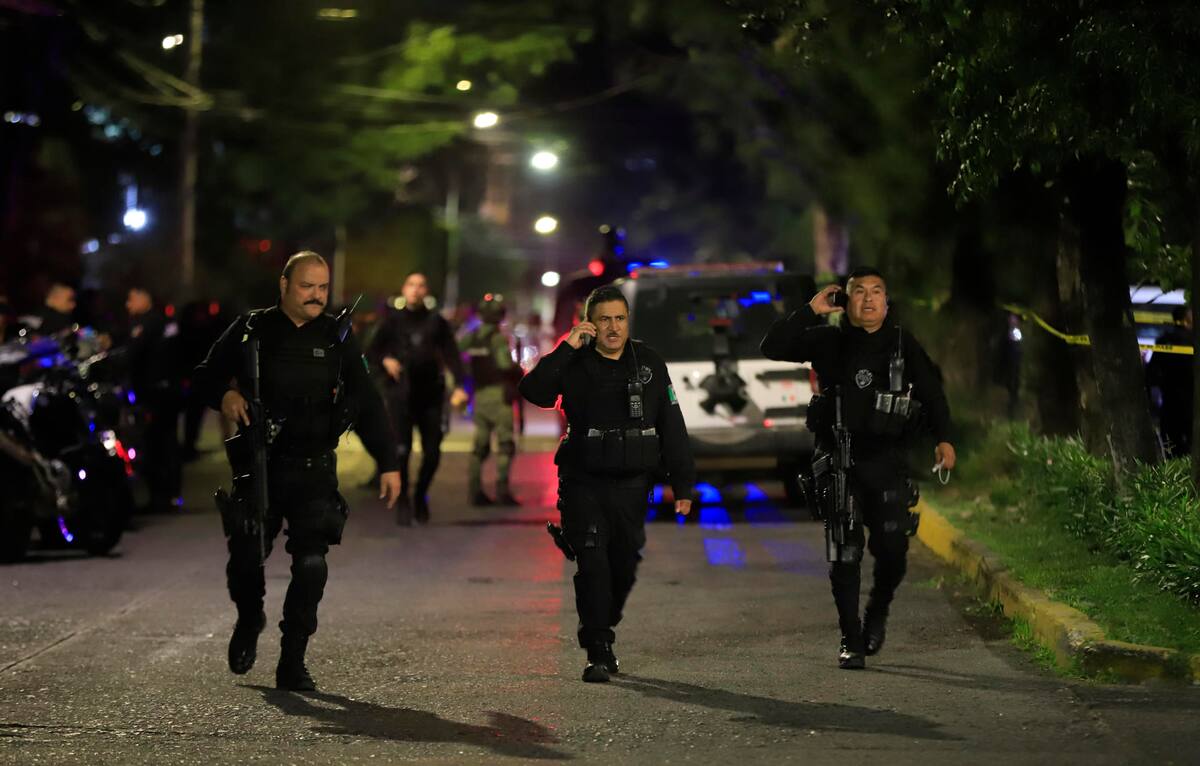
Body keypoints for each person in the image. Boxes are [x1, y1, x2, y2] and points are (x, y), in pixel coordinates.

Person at [194, 252, 402, 691]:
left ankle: (293, 659)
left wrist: (388, 462)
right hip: (261, 465)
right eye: (307, 286)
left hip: (314, 468)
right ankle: (250, 619)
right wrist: (225, 397)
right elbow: (204, 375)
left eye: (323, 288)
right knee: (246, 559)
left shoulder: (337, 337)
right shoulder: (253, 327)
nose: (316, 296)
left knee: (311, 565)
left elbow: (365, 400)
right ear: (284, 284)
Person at [760, 267, 955, 670]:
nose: (868, 299)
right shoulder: (829, 339)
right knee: (844, 553)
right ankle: (850, 637)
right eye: (859, 292)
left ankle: (876, 613)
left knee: (893, 552)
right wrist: (810, 310)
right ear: (844, 300)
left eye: (877, 292)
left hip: (886, 461)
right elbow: (773, 346)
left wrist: (944, 440)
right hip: (839, 459)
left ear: (887, 300)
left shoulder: (903, 344)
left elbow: (933, 394)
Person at [519, 284, 695, 683]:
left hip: (632, 483)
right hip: (584, 480)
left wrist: (683, 484)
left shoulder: (648, 362)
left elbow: (671, 424)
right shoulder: (574, 362)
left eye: (619, 318)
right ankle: (597, 649)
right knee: (593, 562)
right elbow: (533, 390)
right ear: (590, 323)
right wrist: (566, 347)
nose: (613, 328)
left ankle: (604, 625)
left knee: (623, 566)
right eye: (604, 320)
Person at [367, 272, 467, 524]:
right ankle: (403, 502)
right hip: (400, 395)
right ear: (404, 289)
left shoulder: (437, 322)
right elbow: (371, 351)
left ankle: (421, 494)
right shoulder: (391, 321)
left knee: (432, 452)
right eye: (411, 285)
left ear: (426, 291)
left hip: (430, 396)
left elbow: (452, 354)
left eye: (421, 285)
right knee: (401, 451)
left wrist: (460, 385)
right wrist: (385, 360)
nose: (415, 289)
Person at [121, 286, 184, 512]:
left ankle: (161, 496)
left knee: (155, 444)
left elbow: (132, 355)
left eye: (130, 300)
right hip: (170, 390)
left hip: (154, 393)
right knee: (168, 443)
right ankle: (172, 494)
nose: (128, 306)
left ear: (142, 298)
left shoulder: (147, 324)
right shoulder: (167, 322)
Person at [458, 293, 520, 506]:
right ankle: (502, 491)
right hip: (498, 394)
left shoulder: (471, 336)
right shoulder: (497, 338)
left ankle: (474, 491)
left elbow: (458, 358)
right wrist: (516, 369)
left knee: (480, 446)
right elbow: (504, 365)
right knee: (505, 445)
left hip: (479, 395)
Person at [1146, 305, 1193, 458]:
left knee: (1171, 443)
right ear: (1186, 319)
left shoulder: (1163, 339)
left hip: (1169, 398)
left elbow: (1153, 371)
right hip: (1190, 398)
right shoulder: (1192, 339)